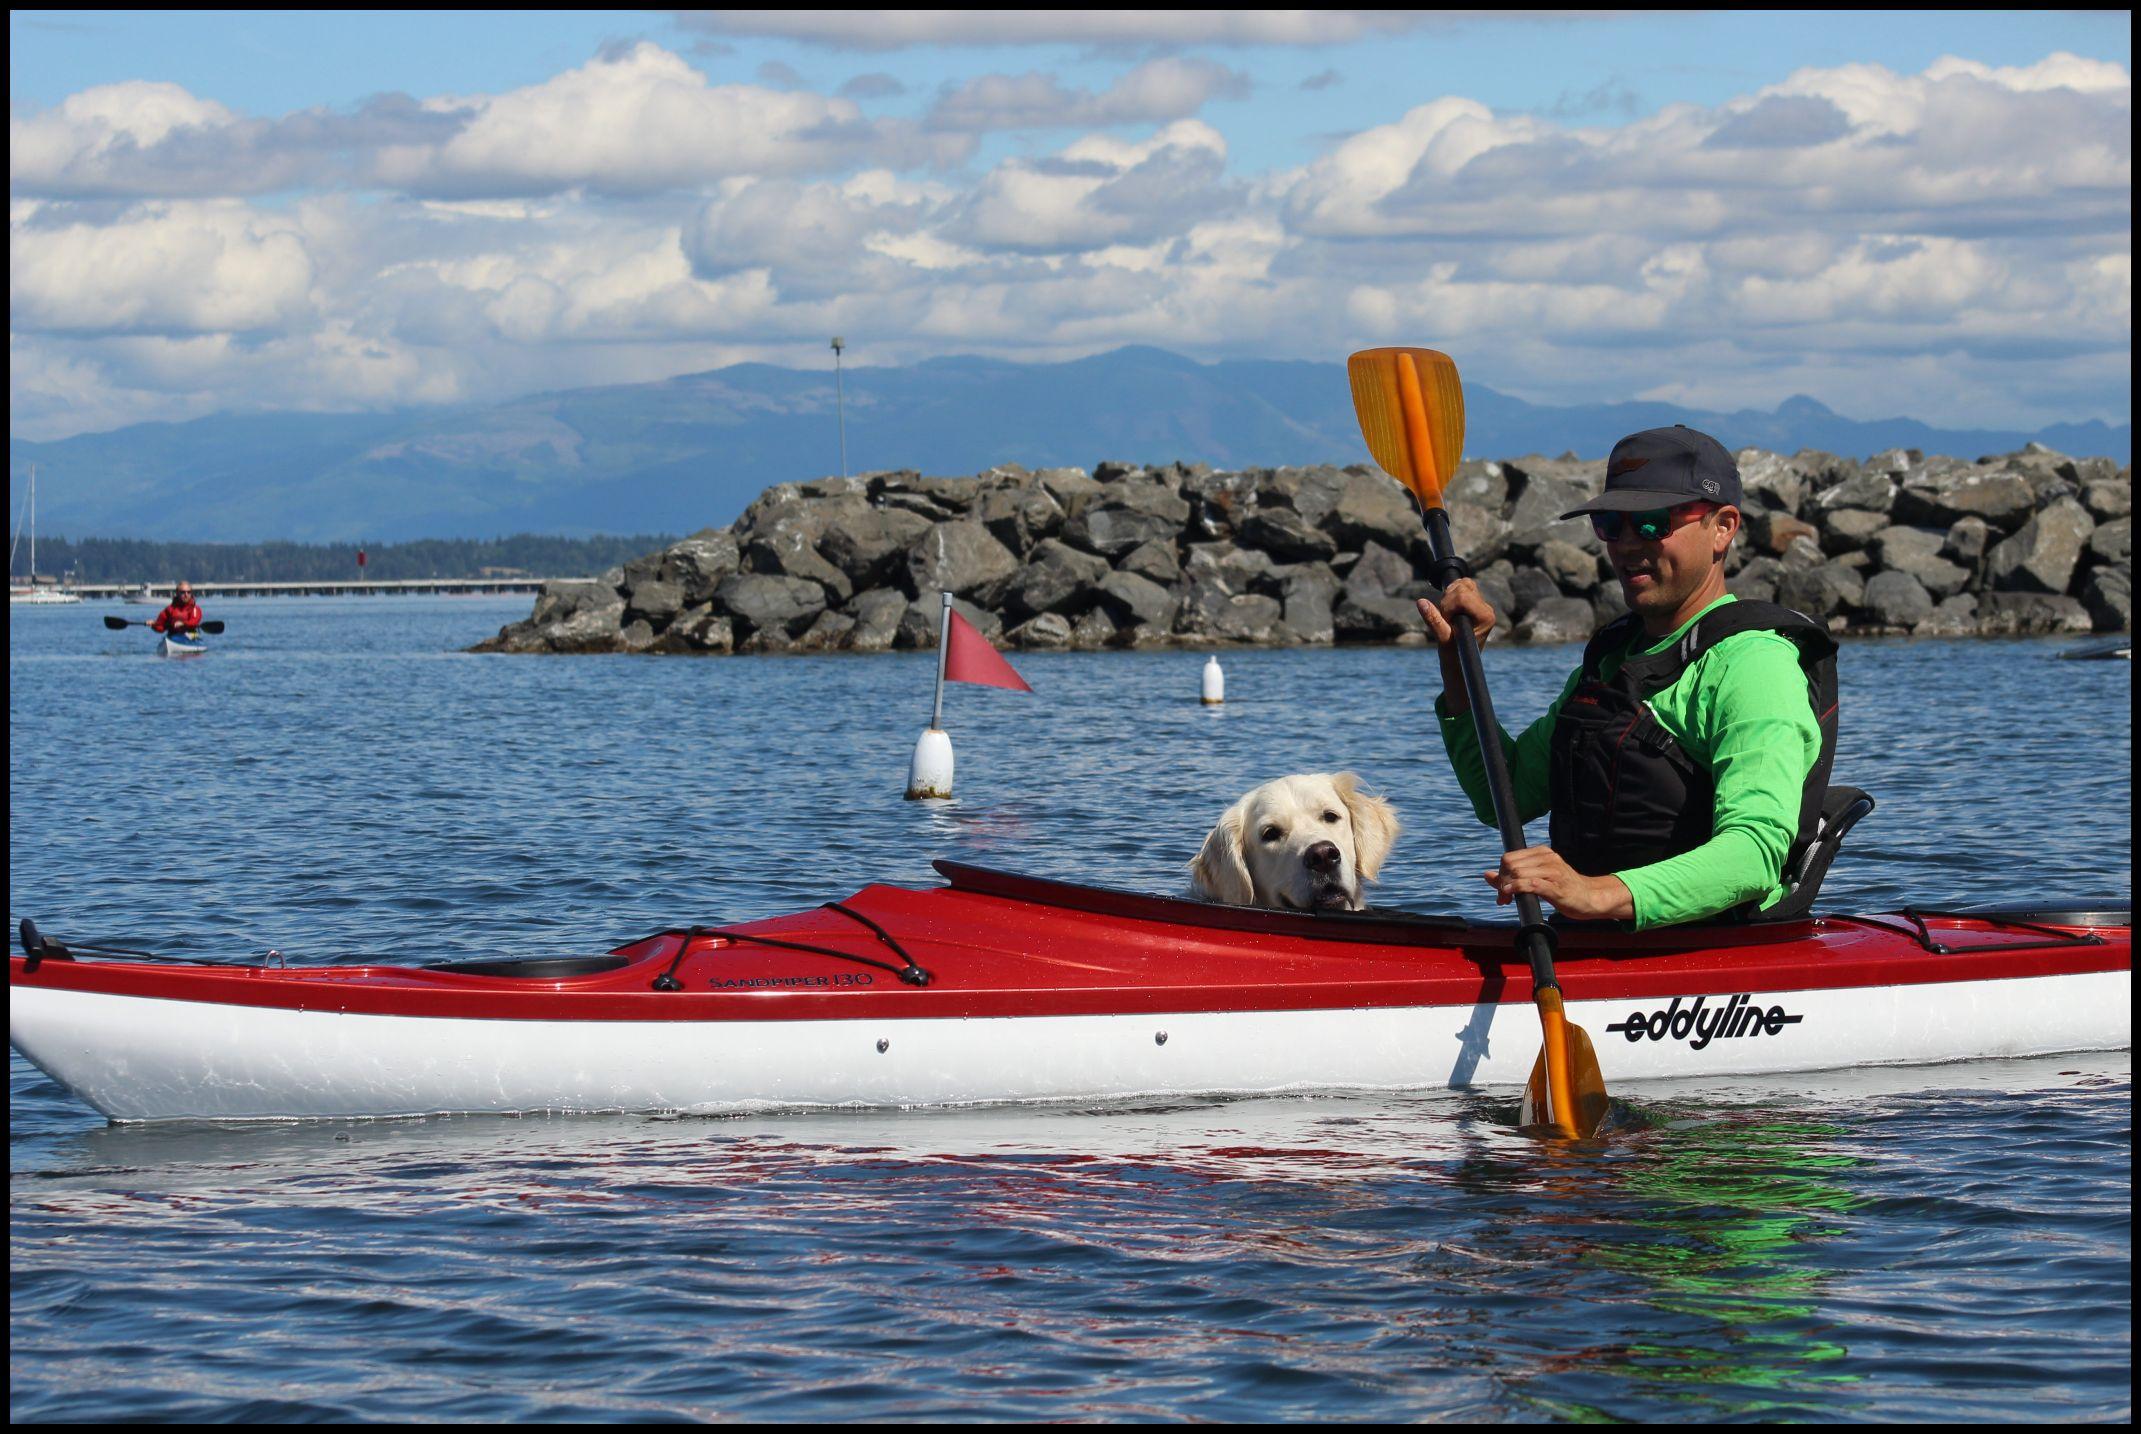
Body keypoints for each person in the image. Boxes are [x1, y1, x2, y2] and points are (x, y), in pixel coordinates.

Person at [1417, 426, 1837, 929]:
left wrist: (1593, 895)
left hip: (1705, 956)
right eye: (1610, 523)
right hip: (1593, 946)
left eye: (1653, 524)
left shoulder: (1753, 665)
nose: (1627, 544)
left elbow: (1754, 855)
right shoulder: (1614, 660)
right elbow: (1501, 798)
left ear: (1723, 527)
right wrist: (1460, 667)